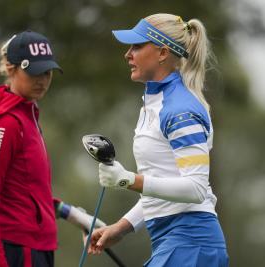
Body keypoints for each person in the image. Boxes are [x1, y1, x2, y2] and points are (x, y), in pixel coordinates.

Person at [87, 14, 229, 266]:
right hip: (174, 241)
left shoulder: (180, 109)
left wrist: (128, 180)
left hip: (191, 242)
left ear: (163, 53)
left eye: (137, 46)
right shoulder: (152, 104)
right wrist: (121, 227)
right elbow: (165, 185)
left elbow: (195, 188)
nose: (128, 54)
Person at [0, 30, 63, 267]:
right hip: (14, 253)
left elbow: (28, 190)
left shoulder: (28, 115)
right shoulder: (7, 123)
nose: (42, 79)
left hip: (37, 249)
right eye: (33, 71)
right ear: (11, 68)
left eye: (47, 71)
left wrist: (72, 214)